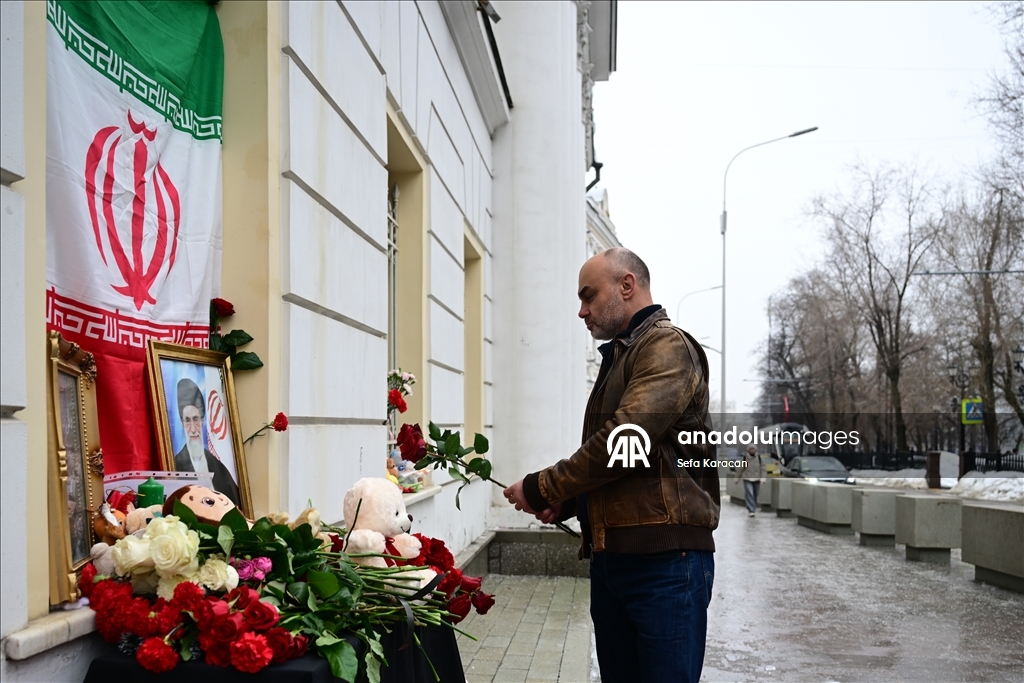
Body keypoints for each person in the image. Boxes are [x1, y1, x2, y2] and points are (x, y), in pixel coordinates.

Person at [503, 248, 720, 683]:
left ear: (626, 285)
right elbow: (635, 466)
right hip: (613, 563)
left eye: (589, 296)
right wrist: (570, 503)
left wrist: (543, 488)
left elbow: (624, 442)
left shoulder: (666, 346)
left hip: (664, 565)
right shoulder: (622, 355)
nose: (581, 311)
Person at [173, 378, 241, 506]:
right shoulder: (174, 464)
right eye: (187, 420)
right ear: (182, 423)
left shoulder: (218, 464)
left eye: (195, 419)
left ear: (202, 421)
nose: (193, 429)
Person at [738, 445, 765, 517]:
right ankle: (751, 510)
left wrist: (763, 478)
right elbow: (740, 469)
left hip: (757, 479)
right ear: (748, 450)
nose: (752, 450)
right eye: (751, 449)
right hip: (747, 478)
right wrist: (736, 478)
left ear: (755, 450)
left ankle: (751, 506)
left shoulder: (759, 458)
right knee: (750, 493)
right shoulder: (744, 458)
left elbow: (763, 469)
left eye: (753, 449)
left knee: (755, 494)